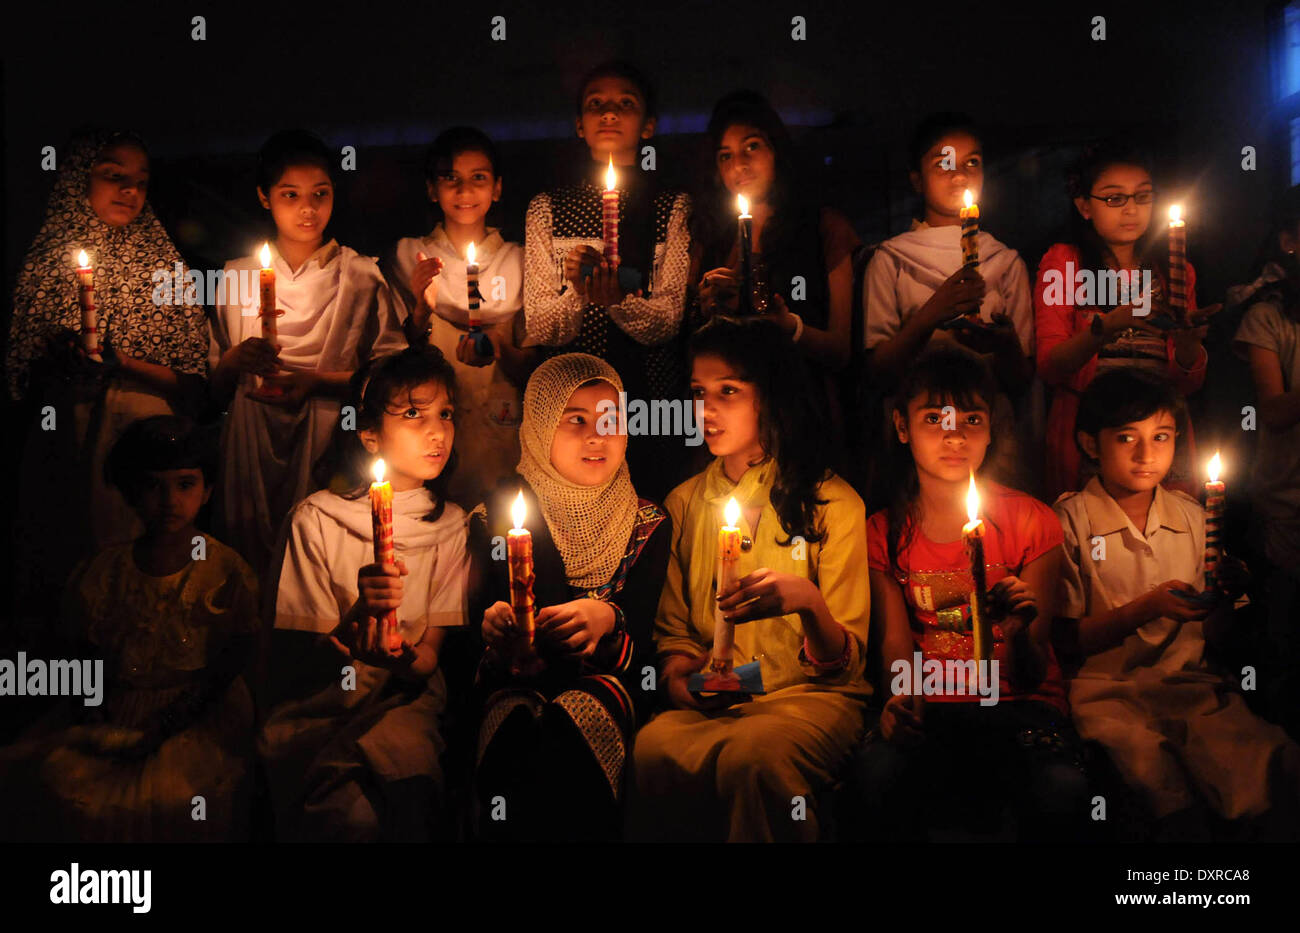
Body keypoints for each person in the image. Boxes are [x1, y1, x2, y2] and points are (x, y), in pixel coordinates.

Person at [628, 316, 871, 842]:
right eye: (697, 392)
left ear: (771, 397)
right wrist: (680, 680)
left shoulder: (833, 504)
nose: (706, 409)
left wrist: (807, 602)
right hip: (718, 702)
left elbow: (845, 664)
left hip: (808, 697)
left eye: (728, 391)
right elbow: (673, 632)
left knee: (752, 760)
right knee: (652, 749)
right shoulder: (685, 502)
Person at [1054, 369, 1300, 839]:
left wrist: (1224, 594)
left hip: (1196, 690)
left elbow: (1218, 636)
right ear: (1090, 444)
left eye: (1161, 437)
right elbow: (1064, 638)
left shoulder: (1192, 517)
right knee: (1159, 791)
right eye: (1127, 437)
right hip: (1109, 695)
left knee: (1272, 766)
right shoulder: (1070, 521)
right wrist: (1146, 608)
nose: (1147, 455)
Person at [854, 344, 1085, 841]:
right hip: (931, 703)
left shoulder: (1031, 520)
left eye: (971, 419)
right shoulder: (884, 530)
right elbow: (896, 648)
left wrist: (1019, 629)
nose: (954, 435)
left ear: (990, 428)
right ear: (901, 427)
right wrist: (901, 700)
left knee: (1059, 790)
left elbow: (1031, 668)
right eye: (934, 417)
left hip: (1019, 704)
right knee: (875, 779)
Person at [0, 416, 258, 842]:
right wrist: (93, 704)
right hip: (121, 704)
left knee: (173, 796)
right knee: (65, 781)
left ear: (208, 490)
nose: (169, 500)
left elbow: (232, 658)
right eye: (153, 485)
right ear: (130, 493)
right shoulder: (106, 570)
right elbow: (88, 649)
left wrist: (171, 720)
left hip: (196, 711)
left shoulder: (223, 570)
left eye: (185, 484)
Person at [258, 346, 467, 841]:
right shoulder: (316, 520)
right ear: (369, 434)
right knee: (350, 818)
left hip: (404, 702)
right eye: (413, 414)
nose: (437, 431)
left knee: (409, 795)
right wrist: (357, 619)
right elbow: (297, 663)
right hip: (323, 705)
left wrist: (399, 658)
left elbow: (428, 661)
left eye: (445, 414)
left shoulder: (453, 525)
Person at [7, 130, 211, 622]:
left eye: (140, 182)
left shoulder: (165, 267)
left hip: (149, 444)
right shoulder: (47, 262)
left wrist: (123, 364)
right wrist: (58, 363)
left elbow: (195, 383)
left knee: (146, 567)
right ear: (79, 180)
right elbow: (21, 379)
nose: (130, 191)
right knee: (81, 567)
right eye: (114, 177)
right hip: (72, 440)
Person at [469, 353, 670, 841]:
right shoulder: (497, 513)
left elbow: (643, 640)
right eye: (574, 420)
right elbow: (483, 617)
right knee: (515, 721)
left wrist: (608, 616)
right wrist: (495, 626)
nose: (596, 436)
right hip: (518, 678)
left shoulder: (649, 522)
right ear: (539, 428)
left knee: (577, 716)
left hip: (610, 674)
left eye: (610, 420)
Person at [208, 129, 406, 576]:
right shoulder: (236, 277)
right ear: (264, 197)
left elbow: (388, 376)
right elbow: (212, 388)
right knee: (247, 570)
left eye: (321, 193)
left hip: (324, 437)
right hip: (249, 441)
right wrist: (235, 361)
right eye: (290, 194)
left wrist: (316, 382)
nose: (308, 208)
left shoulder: (359, 275)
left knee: (317, 563)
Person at [523, 60, 692, 500]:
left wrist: (617, 299)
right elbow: (541, 326)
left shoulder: (671, 206)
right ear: (579, 125)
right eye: (596, 105)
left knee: (653, 506)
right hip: (572, 405)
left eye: (625, 104)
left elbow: (668, 321)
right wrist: (580, 293)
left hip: (653, 401)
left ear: (648, 126)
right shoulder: (548, 208)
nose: (610, 114)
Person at [863, 112, 1034, 491]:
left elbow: (1023, 381)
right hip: (916, 440)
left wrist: (1004, 345)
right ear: (916, 179)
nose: (960, 175)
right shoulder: (890, 259)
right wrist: (932, 315)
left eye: (972, 162)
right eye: (944, 163)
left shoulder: (1004, 261)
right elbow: (877, 373)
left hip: (990, 438)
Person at [1035, 141, 1210, 500]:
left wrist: (1190, 349)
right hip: (1093, 430)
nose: (1131, 209)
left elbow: (1186, 384)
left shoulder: (1173, 271)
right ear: (1085, 206)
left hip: (1158, 433)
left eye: (1143, 197)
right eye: (1115, 199)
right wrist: (1109, 326)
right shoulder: (1065, 264)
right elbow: (1052, 366)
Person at [385, 126, 534, 510]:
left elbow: (532, 369)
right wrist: (421, 309)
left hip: (502, 423)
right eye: (450, 179)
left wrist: (497, 344)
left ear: (497, 188)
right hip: (433, 424)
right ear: (432, 189)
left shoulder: (519, 261)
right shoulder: (411, 257)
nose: (464, 192)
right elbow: (395, 357)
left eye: (478, 179)